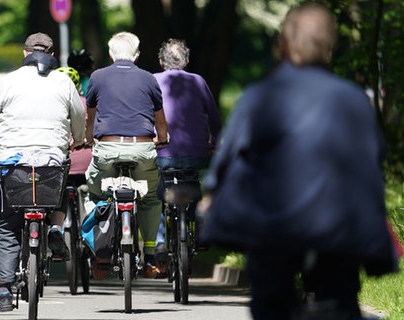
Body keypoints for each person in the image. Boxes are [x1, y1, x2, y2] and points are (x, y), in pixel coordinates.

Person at [199, 3, 399, 320]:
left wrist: (211, 199)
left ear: (285, 43)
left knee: (270, 303)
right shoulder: (353, 100)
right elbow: (371, 165)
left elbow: (227, 160)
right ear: (329, 47)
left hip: (273, 230)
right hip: (339, 232)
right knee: (342, 299)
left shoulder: (260, 96)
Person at [0, 32, 85, 312]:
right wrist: (77, 138)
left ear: (25, 53)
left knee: (7, 224)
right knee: (59, 187)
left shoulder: (10, 80)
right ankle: (54, 227)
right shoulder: (64, 82)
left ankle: (4, 290)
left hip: (13, 164)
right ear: (52, 54)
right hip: (51, 161)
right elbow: (79, 118)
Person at [84, 31, 169, 279]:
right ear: (137, 54)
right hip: (142, 148)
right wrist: (162, 138)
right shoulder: (149, 79)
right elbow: (160, 120)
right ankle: (151, 255)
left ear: (111, 54)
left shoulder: (97, 77)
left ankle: (100, 251)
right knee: (151, 198)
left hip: (108, 149)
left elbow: (90, 117)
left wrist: (89, 140)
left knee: (94, 192)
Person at [152, 38, 221, 274]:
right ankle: (201, 227)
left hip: (161, 153)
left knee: (156, 193)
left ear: (161, 62)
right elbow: (214, 117)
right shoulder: (199, 81)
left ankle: (160, 239)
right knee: (194, 180)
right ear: (187, 61)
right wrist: (215, 141)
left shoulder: (152, 81)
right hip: (197, 153)